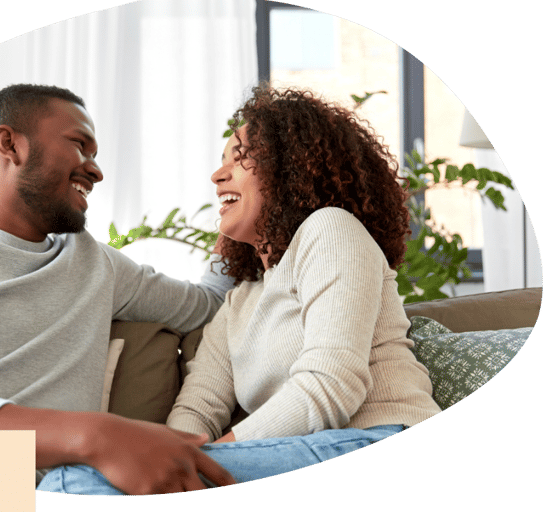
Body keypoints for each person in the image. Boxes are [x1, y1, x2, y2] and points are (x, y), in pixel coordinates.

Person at [37, 85, 442, 495]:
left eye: (241, 157)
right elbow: (198, 409)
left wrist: (194, 464)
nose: (217, 175)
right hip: (301, 454)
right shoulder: (239, 301)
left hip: (378, 439)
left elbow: (331, 384)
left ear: (292, 169)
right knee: (87, 481)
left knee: (74, 480)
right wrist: (174, 461)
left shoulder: (332, 230)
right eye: (221, 161)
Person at [0, 84, 239, 495]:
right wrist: (96, 439)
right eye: (80, 146)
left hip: (68, 486)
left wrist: (235, 213)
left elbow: (208, 305)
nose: (96, 170)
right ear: (10, 144)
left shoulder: (94, 262)